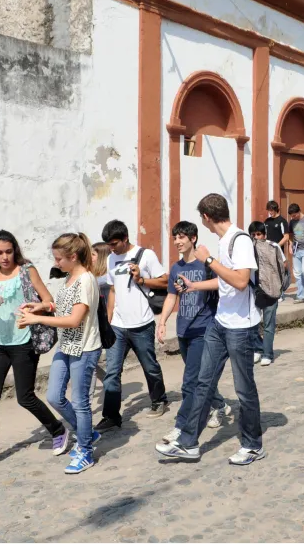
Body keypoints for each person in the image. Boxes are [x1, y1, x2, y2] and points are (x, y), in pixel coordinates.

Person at [156, 193, 265, 465]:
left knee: (244, 389)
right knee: (202, 382)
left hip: (241, 327)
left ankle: (252, 445)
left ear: (205, 217)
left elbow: (241, 281)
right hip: (221, 322)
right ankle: (189, 443)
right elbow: (225, 282)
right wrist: (195, 286)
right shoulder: (223, 240)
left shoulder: (239, 240)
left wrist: (208, 262)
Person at [0, 231, 66, 471]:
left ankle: (57, 429)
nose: (5, 257)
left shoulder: (26, 270)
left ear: (15, 251)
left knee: (25, 397)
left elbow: (49, 300)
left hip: (24, 342)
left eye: (8, 251)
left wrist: (33, 312)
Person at [17, 233, 103, 474]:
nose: (56, 263)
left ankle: (85, 450)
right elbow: (64, 308)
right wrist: (44, 306)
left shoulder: (86, 280)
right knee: (54, 396)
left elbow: (75, 320)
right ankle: (88, 433)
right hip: (65, 347)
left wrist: (36, 318)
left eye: (58, 259)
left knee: (81, 403)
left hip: (84, 349)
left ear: (72, 256)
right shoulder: (69, 277)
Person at [157, 221, 230, 447]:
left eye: (182, 237)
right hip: (184, 330)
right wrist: (162, 322)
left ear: (193, 238)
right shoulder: (177, 268)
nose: (178, 242)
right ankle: (219, 405)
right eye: (175, 237)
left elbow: (223, 283)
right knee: (200, 378)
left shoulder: (205, 265)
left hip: (204, 330)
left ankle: (181, 426)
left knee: (189, 382)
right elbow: (171, 296)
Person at [97, 220, 170, 431]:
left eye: (114, 243)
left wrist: (141, 280)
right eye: (109, 244)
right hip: (118, 326)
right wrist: (109, 319)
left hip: (142, 324)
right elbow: (112, 289)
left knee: (150, 367)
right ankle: (111, 416)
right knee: (112, 372)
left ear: (125, 238)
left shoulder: (146, 255)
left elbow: (165, 281)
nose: (111, 248)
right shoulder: (111, 258)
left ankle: (159, 400)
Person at [249, 221, 285, 366]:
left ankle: (267, 353)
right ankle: (258, 348)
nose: (256, 237)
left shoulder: (273, 247)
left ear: (264, 234)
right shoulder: (247, 248)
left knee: (269, 325)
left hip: (271, 290)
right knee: (252, 324)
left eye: (259, 234)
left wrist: (278, 285)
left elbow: (282, 266)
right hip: (253, 290)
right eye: (253, 235)